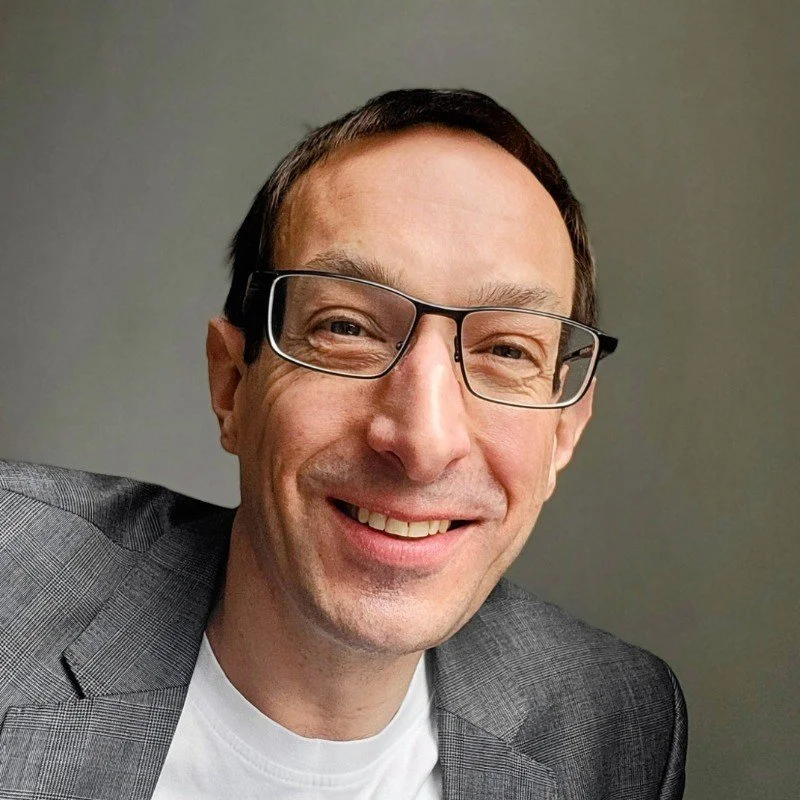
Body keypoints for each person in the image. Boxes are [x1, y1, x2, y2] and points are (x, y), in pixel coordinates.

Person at [0, 88, 686, 799]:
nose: (423, 442)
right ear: (233, 385)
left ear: (565, 429)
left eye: (507, 350)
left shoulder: (619, 723)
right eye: (346, 329)